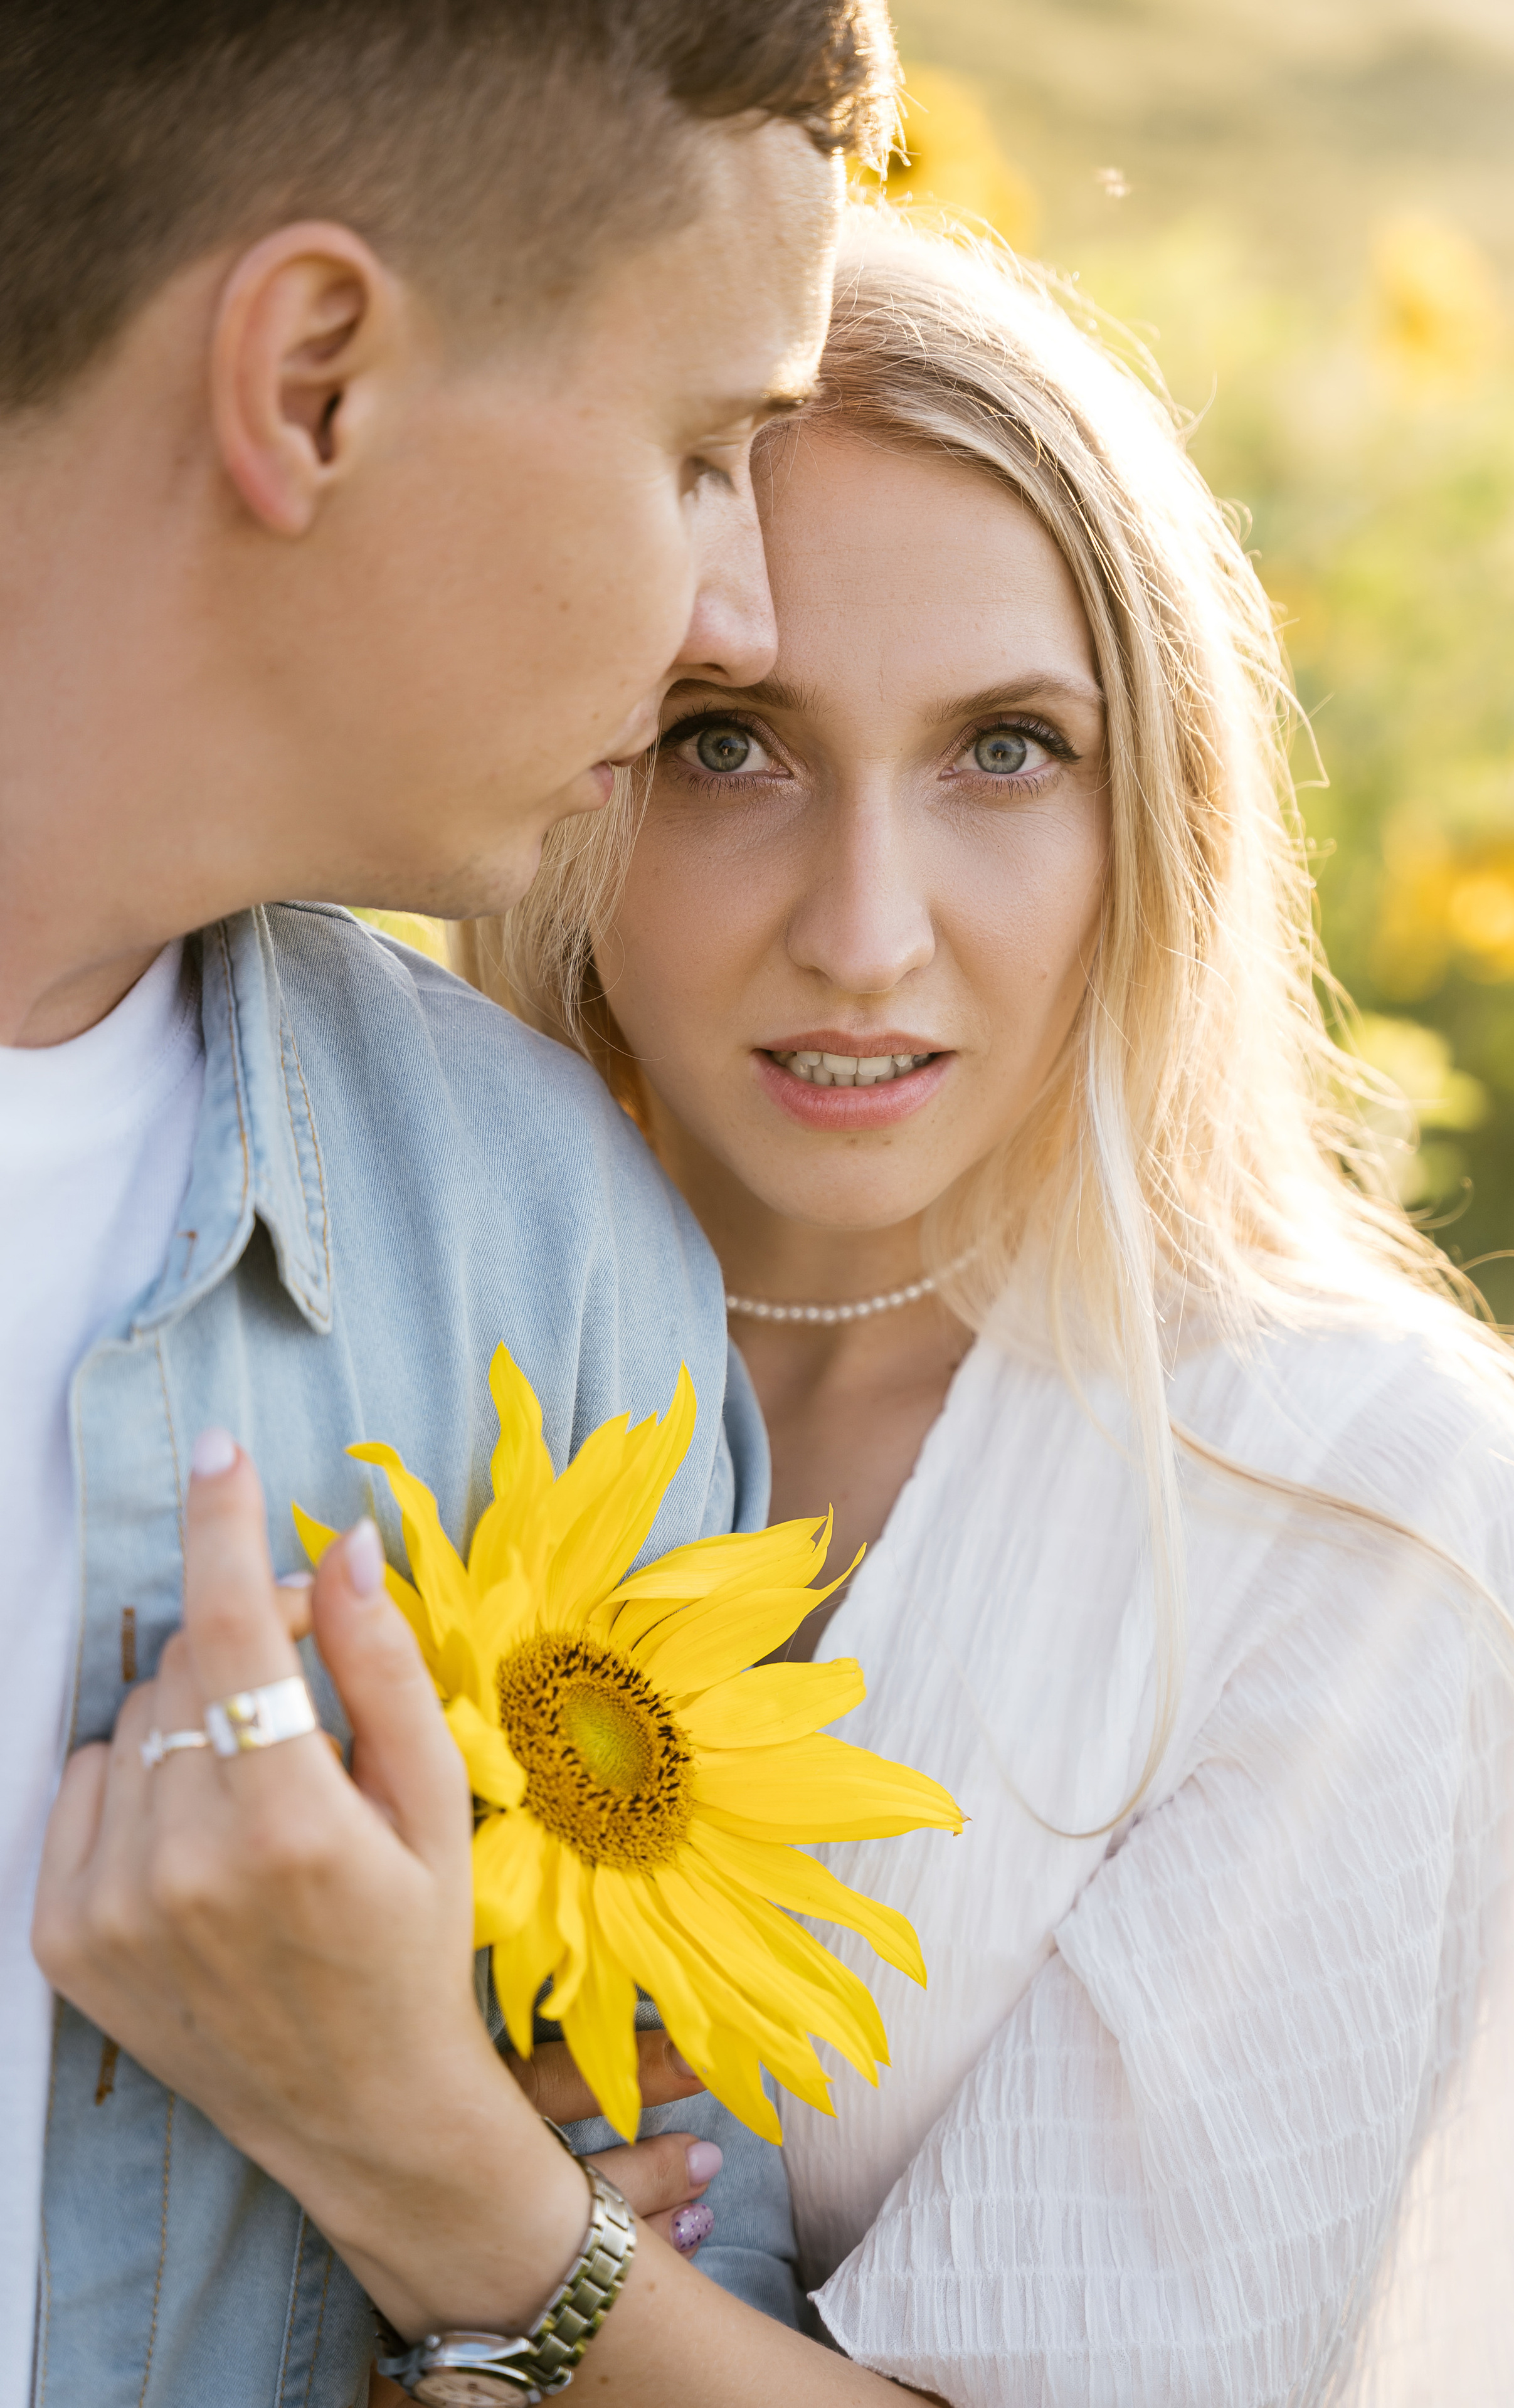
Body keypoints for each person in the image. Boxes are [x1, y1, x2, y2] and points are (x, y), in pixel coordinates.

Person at [462, 211, 1514, 2404]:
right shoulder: (380, 1349)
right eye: (731, 741)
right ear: (570, 768)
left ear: (1153, 807)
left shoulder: (1340, 1504)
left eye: (1003, 750)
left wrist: (441, 2194)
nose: (866, 933)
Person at [5, 4, 897, 2401]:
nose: (747, 613)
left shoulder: (542, 1250)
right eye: (707, 451)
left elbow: (681, 2262)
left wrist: (474, 2264)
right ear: (309, 380)